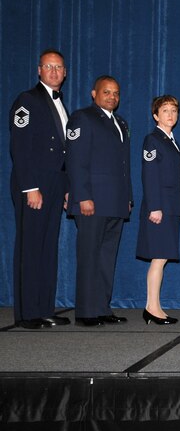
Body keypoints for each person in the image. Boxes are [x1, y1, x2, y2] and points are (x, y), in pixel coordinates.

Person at [8, 49, 71, 329]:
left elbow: (64, 151)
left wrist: (67, 187)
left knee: (48, 247)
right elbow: (20, 147)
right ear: (39, 70)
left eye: (59, 67)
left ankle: (44, 307)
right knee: (31, 247)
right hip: (35, 183)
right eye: (49, 66)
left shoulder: (60, 103)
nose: (54, 71)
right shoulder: (28, 100)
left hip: (56, 183)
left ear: (65, 72)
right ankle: (27, 313)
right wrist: (30, 186)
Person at [67, 75, 132, 326]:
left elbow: (124, 165)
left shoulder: (121, 122)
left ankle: (102, 308)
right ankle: (85, 312)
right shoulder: (83, 117)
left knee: (107, 257)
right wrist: (82, 196)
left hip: (115, 201)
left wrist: (127, 197)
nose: (112, 97)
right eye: (107, 92)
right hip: (92, 200)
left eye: (116, 93)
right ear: (94, 94)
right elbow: (75, 160)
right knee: (89, 256)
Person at [136, 95, 180, 325]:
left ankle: (155, 306)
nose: (170, 114)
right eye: (165, 110)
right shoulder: (152, 140)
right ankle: (151, 307)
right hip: (160, 207)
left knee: (162, 257)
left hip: (170, 206)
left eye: (174, 110)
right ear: (156, 115)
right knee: (158, 258)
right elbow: (150, 175)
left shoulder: (171, 141)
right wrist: (155, 207)